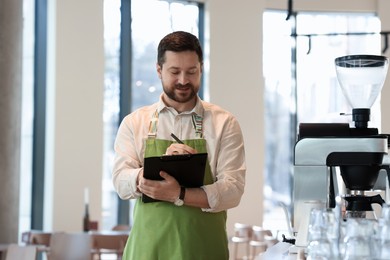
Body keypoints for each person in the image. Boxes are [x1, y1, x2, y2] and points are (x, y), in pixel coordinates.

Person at [112, 31, 246, 260]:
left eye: (191, 72)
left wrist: (179, 193)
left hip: (204, 251)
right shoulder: (135, 123)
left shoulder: (225, 123)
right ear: (159, 70)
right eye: (175, 72)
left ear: (201, 69)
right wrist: (150, 175)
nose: (183, 80)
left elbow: (233, 191)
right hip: (147, 252)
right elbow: (120, 181)